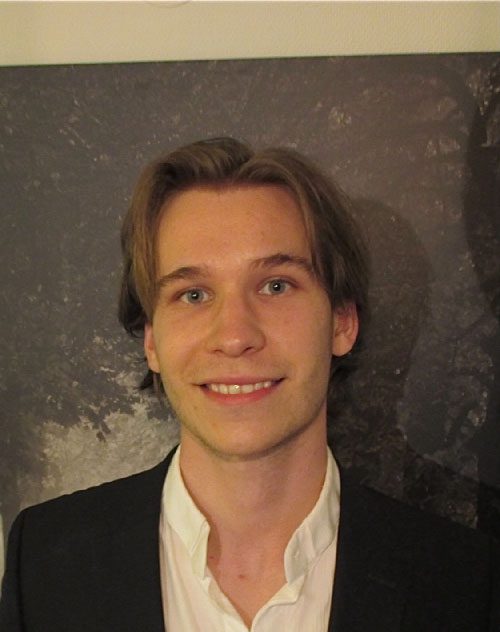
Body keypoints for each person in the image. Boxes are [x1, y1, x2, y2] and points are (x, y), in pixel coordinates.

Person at [0, 137, 498, 631]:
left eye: (276, 286)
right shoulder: (44, 566)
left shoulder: (464, 584)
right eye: (193, 294)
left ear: (342, 323)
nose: (235, 336)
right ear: (152, 340)